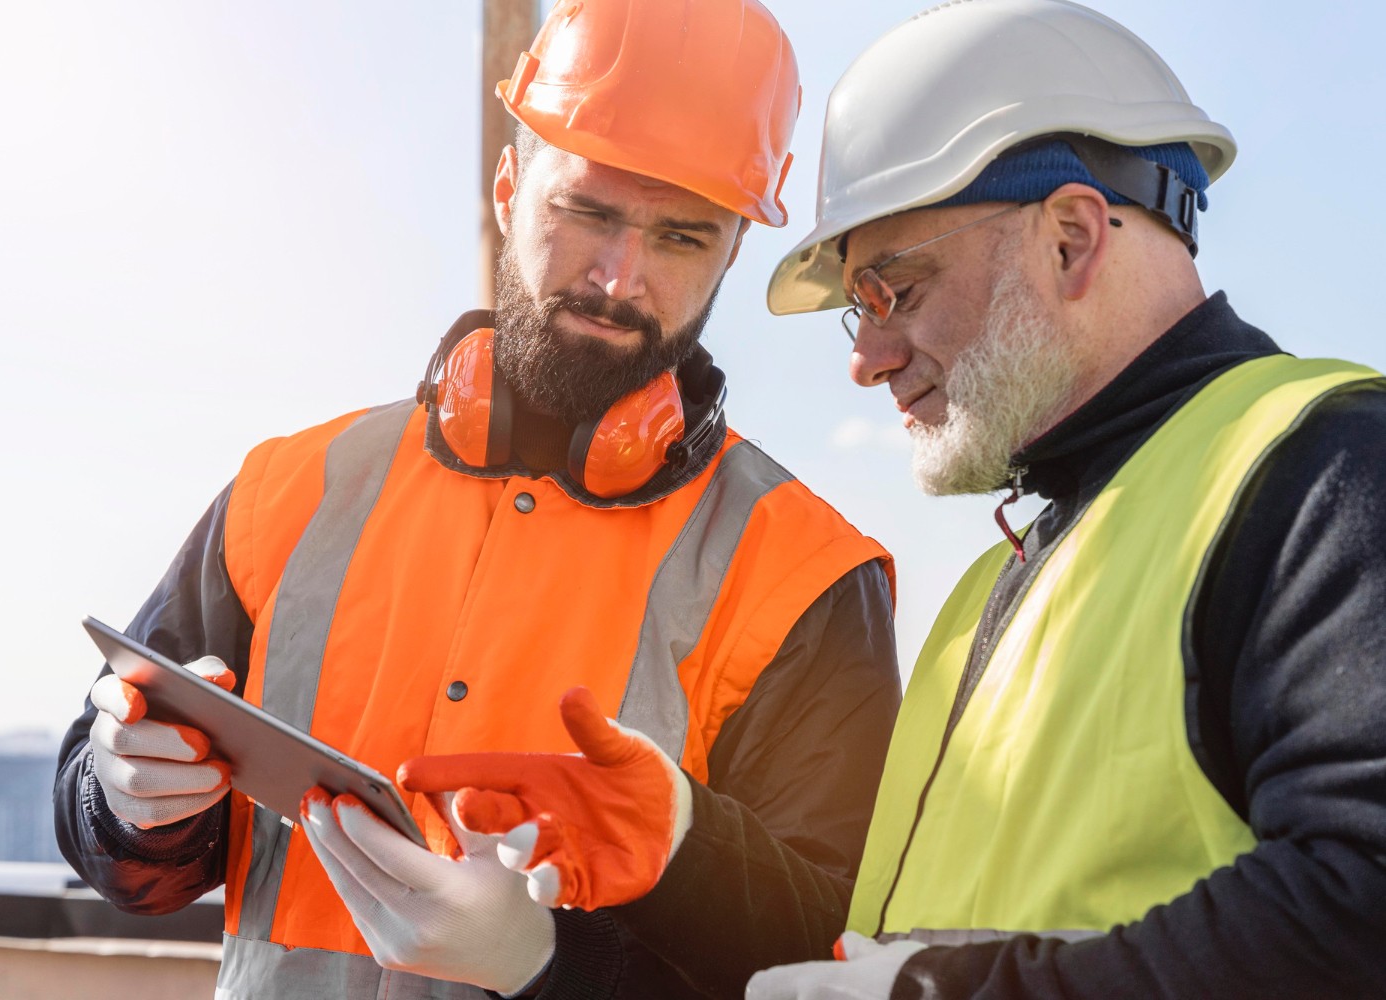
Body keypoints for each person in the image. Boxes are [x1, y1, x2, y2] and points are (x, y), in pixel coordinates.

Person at [406, 1, 1386, 998]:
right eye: (857, 313)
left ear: (1072, 238)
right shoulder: (989, 595)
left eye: (895, 293)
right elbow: (861, 947)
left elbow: (1364, 898)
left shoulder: (1327, 469)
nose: (867, 363)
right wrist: (686, 849)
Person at [52, 1, 902, 998]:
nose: (619, 276)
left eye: (680, 235)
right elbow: (117, 836)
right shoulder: (289, 489)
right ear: (509, 188)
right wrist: (121, 797)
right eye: (587, 210)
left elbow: (824, 959)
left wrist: (548, 969)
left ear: (729, 255)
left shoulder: (806, 576)